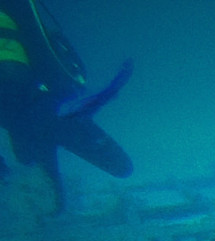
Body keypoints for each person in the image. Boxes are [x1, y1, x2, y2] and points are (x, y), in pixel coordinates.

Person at [0, 0, 132, 212]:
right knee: (121, 167)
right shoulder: (17, 6)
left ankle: (48, 212)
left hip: (20, 116)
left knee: (43, 198)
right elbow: (48, 50)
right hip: (45, 105)